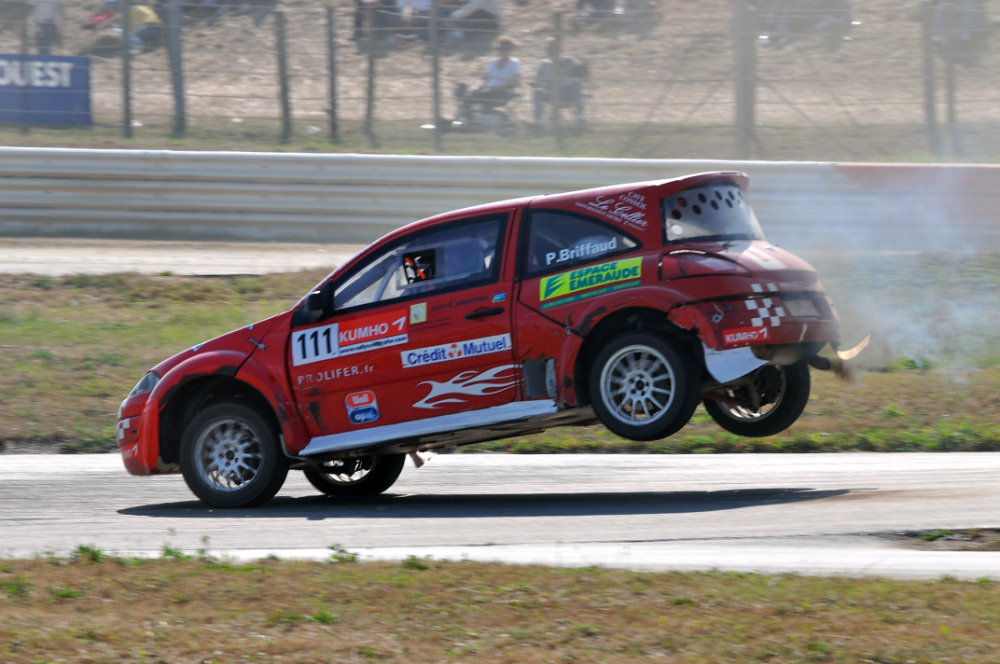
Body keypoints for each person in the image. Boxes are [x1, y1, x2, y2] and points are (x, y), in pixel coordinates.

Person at [454, 36, 522, 123]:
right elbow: (483, 78)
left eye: (505, 48)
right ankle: (462, 120)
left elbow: (517, 82)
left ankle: (458, 121)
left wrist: (500, 88)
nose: (502, 51)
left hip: (502, 94)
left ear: (510, 50)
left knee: (471, 97)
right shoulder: (493, 62)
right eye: (500, 48)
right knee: (469, 94)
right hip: (486, 91)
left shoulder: (514, 63)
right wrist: (467, 82)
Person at [532, 39, 587, 128]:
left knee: (576, 82)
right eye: (549, 50)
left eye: (554, 49)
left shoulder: (570, 61)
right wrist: (545, 85)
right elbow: (537, 80)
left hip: (567, 94)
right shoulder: (544, 64)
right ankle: (538, 123)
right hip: (551, 94)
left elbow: (582, 74)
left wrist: (568, 82)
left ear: (560, 50)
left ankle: (580, 118)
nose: (551, 52)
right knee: (537, 91)